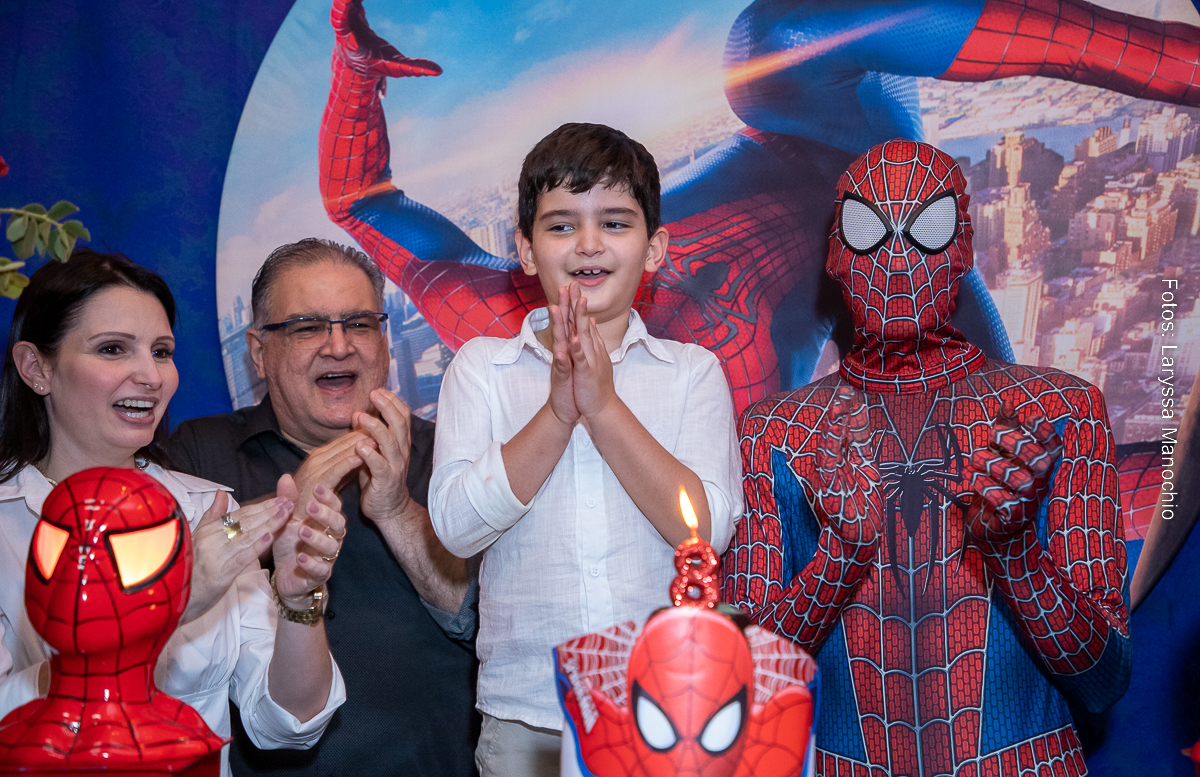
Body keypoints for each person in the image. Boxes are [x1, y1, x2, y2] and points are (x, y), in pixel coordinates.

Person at [318, 0, 1200, 417]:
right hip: (891, 286)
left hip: (818, 132)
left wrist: (355, 78)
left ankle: (1181, 60)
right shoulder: (710, 448)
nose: (590, 253)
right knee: (987, 447)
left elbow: (359, 201)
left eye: (604, 226)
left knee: (768, 43)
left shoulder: (489, 306)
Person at [723, 140, 1130, 777]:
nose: (896, 256)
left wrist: (1015, 552)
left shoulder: (1060, 412)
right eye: (868, 229)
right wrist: (839, 558)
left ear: (963, 247)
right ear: (835, 253)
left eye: (928, 227)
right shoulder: (776, 433)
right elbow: (738, 686)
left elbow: (1105, 682)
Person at [429, 122, 742, 777]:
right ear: (524, 249)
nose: (589, 244)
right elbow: (456, 527)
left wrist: (603, 406)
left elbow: (708, 530)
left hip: (663, 714)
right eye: (562, 226)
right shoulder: (483, 370)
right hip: (528, 715)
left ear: (654, 249)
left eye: (616, 223)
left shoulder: (691, 372)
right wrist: (558, 412)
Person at [0, 250, 348, 777]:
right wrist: (166, 603)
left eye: (161, 352)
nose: (150, 376)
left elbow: (288, 723)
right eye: (113, 349)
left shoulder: (210, 513)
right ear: (36, 368)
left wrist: (300, 602)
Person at [167, 238, 480, 777]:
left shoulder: (450, 456)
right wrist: (293, 500)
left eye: (359, 324)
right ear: (259, 352)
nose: (339, 346)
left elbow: (481, 621)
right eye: (307, 327)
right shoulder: (196, 456)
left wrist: (395, 510)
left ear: (383, 341)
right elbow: (148, 603)